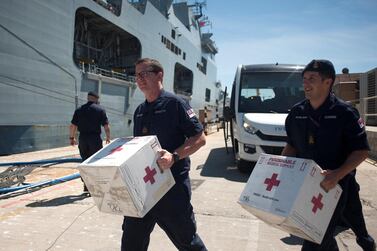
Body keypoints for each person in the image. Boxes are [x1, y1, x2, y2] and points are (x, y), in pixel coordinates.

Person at [281, 59, 375, 251]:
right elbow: (291, 145)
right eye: (304, 78)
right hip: (308, 186)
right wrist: (280, 168)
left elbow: (361, 150)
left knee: (346, 229)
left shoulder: (345, 113)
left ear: (328, 82)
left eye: (312, 79)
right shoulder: (296, 113)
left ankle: (367, 243)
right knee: (320, 235)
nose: (305, 84)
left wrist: (337, 174)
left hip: (339, 184)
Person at [121, 58, 207, 251]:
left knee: (188, 242)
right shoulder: (140, 111)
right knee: (131, 243)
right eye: (137, 75)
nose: (139, 79)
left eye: (144, 74)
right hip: (143, 188)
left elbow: (199, 138)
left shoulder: (176, 104)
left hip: (172, 188)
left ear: (159, 75)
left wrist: (174, 156)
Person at [69, 91, 111, 193]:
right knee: (96, 162)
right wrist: (108, 137)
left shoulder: (79, 110)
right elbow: (106, 126)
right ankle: (96, 187)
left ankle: (86, 186)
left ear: (88, 98)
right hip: (95, 139)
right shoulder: (100, 109)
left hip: (83, 139)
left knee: (85, 162)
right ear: (96, 98)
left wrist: (72, 138)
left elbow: (73, 126)